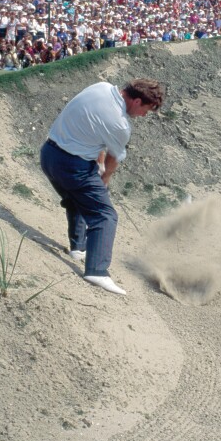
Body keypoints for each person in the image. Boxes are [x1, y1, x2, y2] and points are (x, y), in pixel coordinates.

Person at [40, 78, 164, 295]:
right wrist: (103, 181)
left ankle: (78, 248)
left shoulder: (100, 87)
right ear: (136, 101)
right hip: (72, 166)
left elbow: (92, 129)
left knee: (77, 199)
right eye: (146, 110)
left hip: (49, 155)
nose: (145, 115)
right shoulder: (120, 123)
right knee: (105, 215)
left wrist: (96, 162)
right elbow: (114, 158)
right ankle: (97, 271)